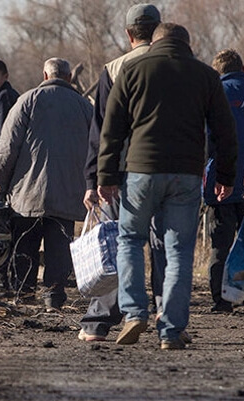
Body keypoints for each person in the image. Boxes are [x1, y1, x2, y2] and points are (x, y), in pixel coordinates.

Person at [98, 23, 238, 349]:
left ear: (154, 42)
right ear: (187, 44)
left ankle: (134, 313)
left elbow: (112, 128)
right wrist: (226, 177)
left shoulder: (133, 69)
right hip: (187, 174)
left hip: (140, 172)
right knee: (178, 251)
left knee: (130, 240)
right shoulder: (205, 76)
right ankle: (171, 329)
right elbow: (225, 132)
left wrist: (106, 176)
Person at [79, 3, 162, 342]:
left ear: (129, 34)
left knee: (116, 244)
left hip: (121, 172)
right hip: (169, 169)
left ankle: (100, 322)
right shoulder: (180, 66)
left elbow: (100, 131)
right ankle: (165, 315)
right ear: (159, 30)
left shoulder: (113, 69)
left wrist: (94, 179)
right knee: (164, 245)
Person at [0, 57, 93, 309]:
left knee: (25, 242)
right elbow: (98, 148)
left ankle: (24, 294)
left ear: (45, 76)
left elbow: (8, 146)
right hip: (68, 192)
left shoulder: (27, 100)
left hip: (27, 192)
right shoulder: (84, 107)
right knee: (59, 246)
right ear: (69, 78)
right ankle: (53, 296)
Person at [205, 49, 244, 313]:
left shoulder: (213, 94)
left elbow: (206, 140)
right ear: (242, 67)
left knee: (220, 244)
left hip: (220, 182)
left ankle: (222, 299)